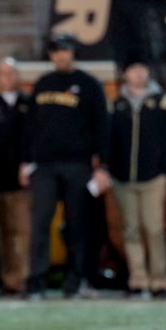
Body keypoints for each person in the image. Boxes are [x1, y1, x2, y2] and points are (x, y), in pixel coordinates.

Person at [22, 33, 111, 299]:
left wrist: (102, 164)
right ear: (50, 55)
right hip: (45, 166)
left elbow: (102, 126)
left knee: (77, 225)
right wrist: (26, 161)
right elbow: (30, 126)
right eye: (55, 51)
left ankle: (77, 280)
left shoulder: (89, 84)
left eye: (65, 50)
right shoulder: (42, 84)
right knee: (40, 223)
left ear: (73, 52)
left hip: (78, 164)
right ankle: (36, 282)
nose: (60, 55)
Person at [109, 57, 166, 297]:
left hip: (153, 177)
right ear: (125, 74)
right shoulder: (117, 104)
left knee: (154, 228)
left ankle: (160, 279)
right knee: (130, 228)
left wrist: (164, 169)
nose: (138, 74)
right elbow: (109, 140)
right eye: (133, 69)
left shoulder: (162, 102)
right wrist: (112, 168)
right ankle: (138, 279)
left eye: (142, 69)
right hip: (124, 178)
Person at [0, 57, 31, 296]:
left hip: (21, 179)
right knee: (0, 231)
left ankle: (23, 277)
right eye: (1, 73)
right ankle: (8, 279)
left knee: (21, 231)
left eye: (10, 73)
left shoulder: (28, 104)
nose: (6, 78)